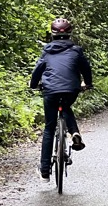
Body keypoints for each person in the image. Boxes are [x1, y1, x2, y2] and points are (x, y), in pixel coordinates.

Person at [30, 17, 93, 181]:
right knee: (65, 106)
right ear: (70, 34)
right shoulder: (76, 50)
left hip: (50, 90)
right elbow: (86, 69)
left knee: (49, 128)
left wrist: (33, 85)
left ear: (52, 34)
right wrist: (88, 83)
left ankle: (44, 171)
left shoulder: (47, 51)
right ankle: (74, 133)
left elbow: (38, 70)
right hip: (71, 89)